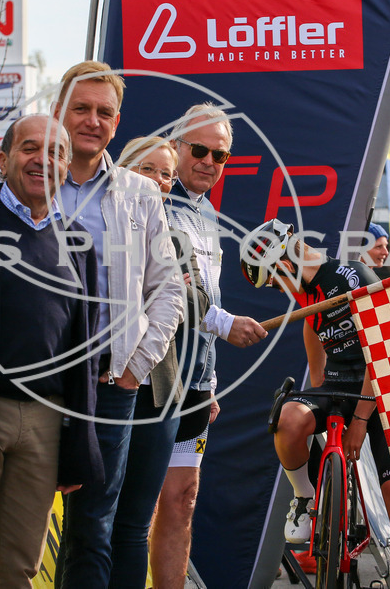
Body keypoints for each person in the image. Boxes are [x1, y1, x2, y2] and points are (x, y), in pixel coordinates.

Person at [0, 114, 103, 588]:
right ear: (4, 157)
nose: (42, 161)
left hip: (46, 423)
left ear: (68, 167)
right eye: (31, 148)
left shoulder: (79, 243)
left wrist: (78, 443)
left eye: (55, 153)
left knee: (19, 566)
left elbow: (84, 351)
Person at [52, 61, 183, 589]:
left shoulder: (140, 193)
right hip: (33, 388)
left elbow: (168, 289)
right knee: (14, 525)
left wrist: (133, 368)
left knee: (92, 532)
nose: (92, 120)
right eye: (80, 108)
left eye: (104, 112)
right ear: (60, 112)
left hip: (110, 387)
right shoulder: (26, 182)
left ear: (117, 120)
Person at [241, 219, 390, 589]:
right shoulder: (306, 289)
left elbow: (383, 352)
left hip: (382, 387)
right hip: (340, 385)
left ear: (286, 264)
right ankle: (306, 498)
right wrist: (319, 384)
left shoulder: (352, 275)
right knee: (288, 417)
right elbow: (312, 323)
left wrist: (358, 421)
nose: (276, 289)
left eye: (274, 280)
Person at [152, 102, 269, 589]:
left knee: (183, 499)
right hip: (151, 381)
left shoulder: (206, 212)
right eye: (198, 150)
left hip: (195, 383)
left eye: (219, 155)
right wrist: (223, 325)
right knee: (140, 506)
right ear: (177, 146)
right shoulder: (152, 196)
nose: (208, 162)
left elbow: (207, 292)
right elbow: (168, 291)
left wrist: (210, 380)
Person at [110, 136, 210, 588]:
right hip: (100, 385)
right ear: (124, 168)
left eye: (166, 173)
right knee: (94, 521)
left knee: (134, 524)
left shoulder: (175, 232)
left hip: (160, 387)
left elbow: (196, 300)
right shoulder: (91, 217)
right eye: (147, 169)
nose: (158, 181)